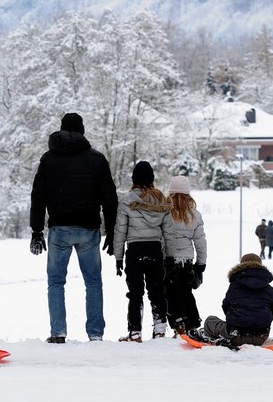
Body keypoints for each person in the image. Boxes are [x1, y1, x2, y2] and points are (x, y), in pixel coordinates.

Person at [29, 112, 118, 343]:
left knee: (56, 282)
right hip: (89, 229)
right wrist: (112, 229)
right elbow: (109, 197)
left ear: (61, 130)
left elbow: (38, 196)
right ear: (82, 131)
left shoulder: (48, 159)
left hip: (59, 229)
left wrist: (37, 230)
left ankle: (58, 332)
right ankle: (95, 334)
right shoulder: (97, 159)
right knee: (93, 281)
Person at [113, 161, 174, 342]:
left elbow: (120, 231)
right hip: (155, 250)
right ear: (152, 180)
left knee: (135, 293)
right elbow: (169, 233)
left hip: (134, 251)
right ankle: (160, 330)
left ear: (134, 180)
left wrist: (118, 257)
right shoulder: (162, 201)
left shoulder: (127, 201)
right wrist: (169, 256)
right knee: (157, 291)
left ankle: (135, 332)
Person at [193, 253, 273, 347]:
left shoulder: (234, 285)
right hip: (260, 337)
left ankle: (211, 336)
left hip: (235, 336)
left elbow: (226, 307)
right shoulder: (268, 288)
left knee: (210, 320)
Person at [163, 175, 207, 336]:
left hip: (168, 260)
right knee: (186, 293)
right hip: (186, 262)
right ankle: (192, 324)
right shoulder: (194, 215)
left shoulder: (164, 213)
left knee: (170, 294)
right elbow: (200, 242)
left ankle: (178, 324)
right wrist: (201, 264)